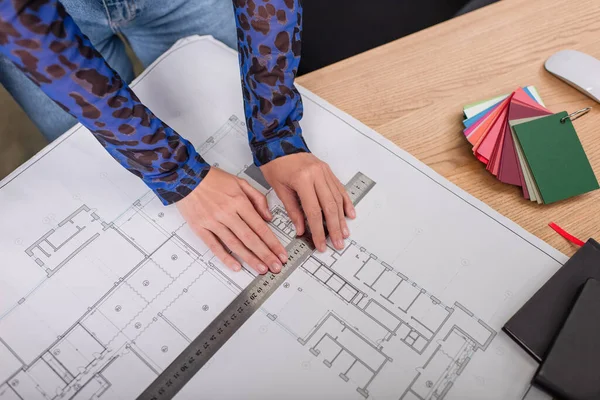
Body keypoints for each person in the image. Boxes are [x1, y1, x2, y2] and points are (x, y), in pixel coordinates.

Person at [0, 0, 356, 275]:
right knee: (87, 157)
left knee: (215, 100)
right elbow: (21, 21)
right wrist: (177, 173)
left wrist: (276, 130)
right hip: (31, 26)